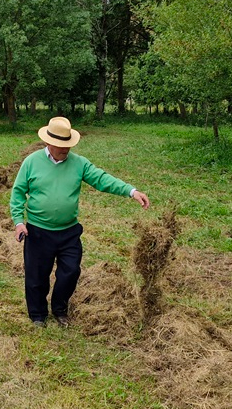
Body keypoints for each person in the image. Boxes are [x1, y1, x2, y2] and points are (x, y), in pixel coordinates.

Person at [10, 116, 150, 327]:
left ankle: (60, 309)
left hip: (69, 232)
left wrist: (131, 191)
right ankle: (38, 315)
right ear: (48, 142)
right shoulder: (31, 162)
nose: (65, 149)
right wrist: (19, 221)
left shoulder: (79, 163)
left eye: (68, 144)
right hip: (38, 231)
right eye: (61, 145)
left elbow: (102, 179)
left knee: (71, 272)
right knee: (36, 276)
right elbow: (18, 193)